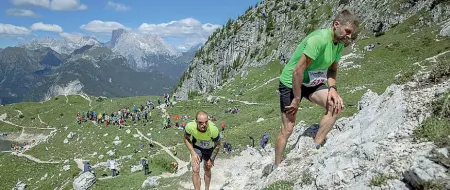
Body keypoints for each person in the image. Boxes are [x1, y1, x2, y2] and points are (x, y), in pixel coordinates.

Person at [272, 10, 359, 172]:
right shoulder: (318, 40)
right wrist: (296, 99)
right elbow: (298, 71)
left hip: (312, 81)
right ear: (336, 24)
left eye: (351, 34)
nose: (349, 36)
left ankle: (315, 147)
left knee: (335, 105)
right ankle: (276, 166)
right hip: (291, 82)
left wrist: (332, 88)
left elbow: (332, 70)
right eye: (347, 31)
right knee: (288, 129)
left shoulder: (339, 45)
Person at [183, 111, 221, 190]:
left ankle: (207, 188)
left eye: (206, 122)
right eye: (201, 123)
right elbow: (186, 138)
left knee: (207, 168)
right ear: (196, 122)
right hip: (197, 147)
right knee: (195, 169)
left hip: (209, 149)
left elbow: (218, 144)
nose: (204, 124)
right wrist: (193, 153)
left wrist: (212, 159)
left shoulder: (213, 129)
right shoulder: (190, 126)